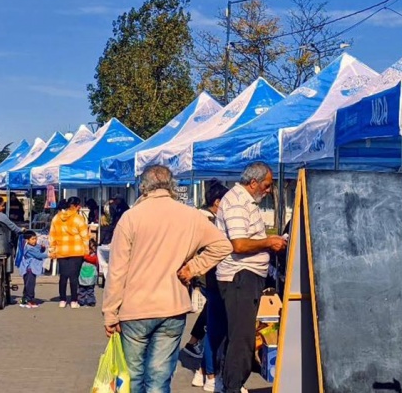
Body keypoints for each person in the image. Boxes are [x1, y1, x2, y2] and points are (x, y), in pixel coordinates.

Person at [102, 165, 232, 393]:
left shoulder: (130, 218)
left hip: (135, 308)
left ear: (143, 187)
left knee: (133, 377)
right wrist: (193, 267)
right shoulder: (191, 215)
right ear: (172, 186)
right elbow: (223, 245)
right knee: (160, 379)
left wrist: (110, 312)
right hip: (173, 306)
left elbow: (117, 270)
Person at [215, 162, 287, 393]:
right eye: (266, 185)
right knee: (242, 336)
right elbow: (239, 244)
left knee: (236, 333)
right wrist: (269, 242)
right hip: (240, 275)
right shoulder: (237, 202)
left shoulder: (247, 202)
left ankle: (228, 381)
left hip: (247, 275)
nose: (268, 190)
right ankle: (233, 386)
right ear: (253, 182)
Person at [188, 182, 230, 391]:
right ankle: (210, 374)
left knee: (211, 326)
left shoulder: (197, 218)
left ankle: (203, 371)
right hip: (212, 279)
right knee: (215, 329)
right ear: (216, 202)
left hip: (205, 279)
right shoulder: (209, 222)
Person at [49, 197, 90, 309]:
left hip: (61, 250)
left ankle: (62, 300)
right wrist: (87, 250)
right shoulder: (78, 219)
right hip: (76, 251)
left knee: (63, 276)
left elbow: (52, 236)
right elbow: (84, 236)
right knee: (74, 277)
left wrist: (52, 250)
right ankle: (73, 300)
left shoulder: (56, 218)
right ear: (77, 206)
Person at [18, 230, 48, 308]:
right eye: (33, 239)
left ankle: (24, 301)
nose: (35, 241)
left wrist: (42, 248)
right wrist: (49, 255)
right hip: (29, 269)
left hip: (31, 269)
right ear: (27, 240)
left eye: (35, 238)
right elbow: (38, 255)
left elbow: (39, 249)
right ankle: (29, 301)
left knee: (27, 285)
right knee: (30, 286)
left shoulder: (34, 246)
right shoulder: (29, 248)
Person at [78, 238, 98, 307]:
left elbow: (93, 260)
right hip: (83, 276)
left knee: (90, 291)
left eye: (92, 248)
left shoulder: (94, 256)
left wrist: (85, 257)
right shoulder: (82, 256)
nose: (90, 250)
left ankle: (91, 301)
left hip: (91, 276)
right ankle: (81, 301)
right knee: (81, 290)